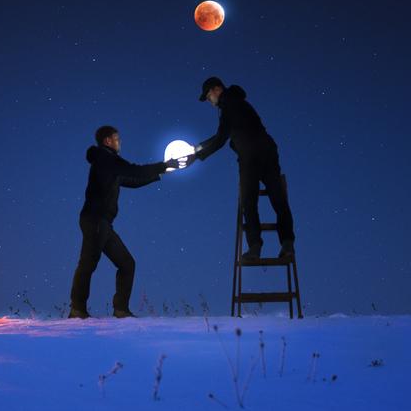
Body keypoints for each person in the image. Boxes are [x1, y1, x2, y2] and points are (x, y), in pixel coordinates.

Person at [69, 125, 181, 319]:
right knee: (88, 263)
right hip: (95, 220)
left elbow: (132, 180)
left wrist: (160, 174)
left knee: (127, 263)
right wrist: (164, 164)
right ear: (107, 141)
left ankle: (120, 309)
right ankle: (77, 310)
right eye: (116, 138)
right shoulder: (106, 159)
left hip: (102, 223)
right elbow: (134, 170)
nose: (120, 141)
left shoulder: (109, 164)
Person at [189, 77, 295, 261]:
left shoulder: (228, 105)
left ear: (216, 89)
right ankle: (287, 243)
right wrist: (198, 147)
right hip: (266, 150)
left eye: (208, 96)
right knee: (277, 198)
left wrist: (197, 155)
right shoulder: (237, 101)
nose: (209, 101)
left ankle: (255, 247)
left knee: (248, 201)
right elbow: (221, 135)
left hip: (250, 155)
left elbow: (220, 139)